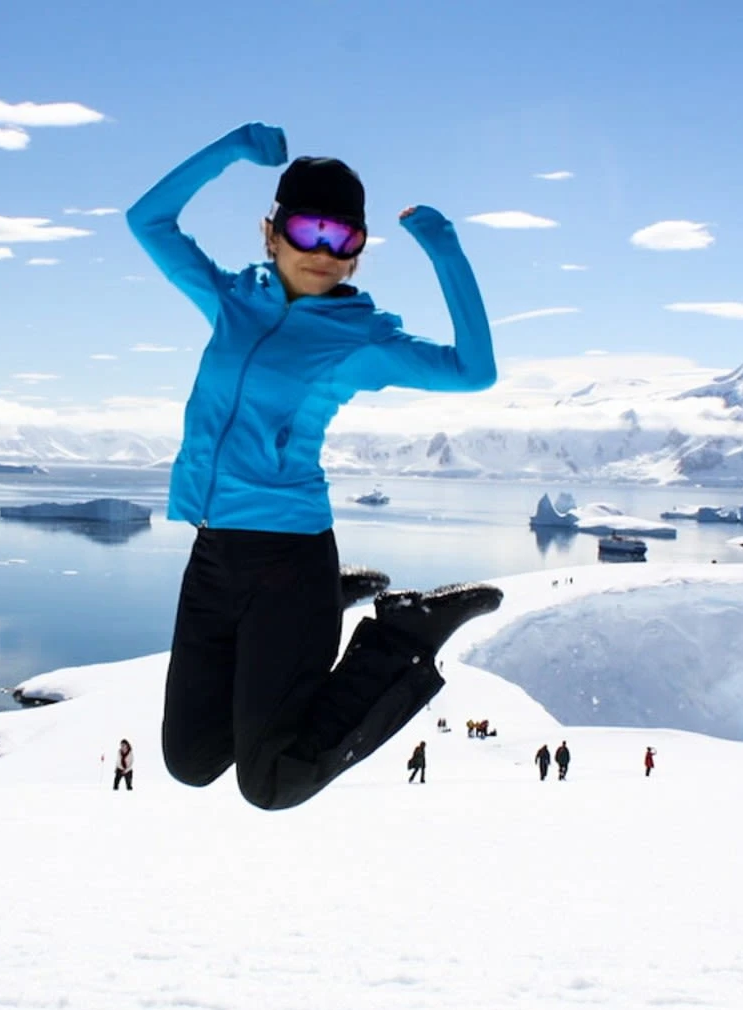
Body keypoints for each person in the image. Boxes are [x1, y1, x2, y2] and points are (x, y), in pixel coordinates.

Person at [130, 122, 501, 811]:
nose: (325, 253)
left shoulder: (360, 337)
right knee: (191, 759)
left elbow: (474, 371)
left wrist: (443, 250)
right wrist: (231, 149)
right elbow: (146, 220)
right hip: (213, 551)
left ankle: (406, 637)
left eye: (345, 240)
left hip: (288, 555)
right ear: (271, 232)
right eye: (308, 230)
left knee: (270, 783)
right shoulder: (232, 301)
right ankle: (328, 605)